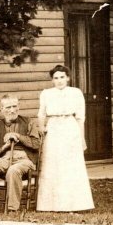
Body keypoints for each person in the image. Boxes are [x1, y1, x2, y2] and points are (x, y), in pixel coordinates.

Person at [36, 65, 95, 212]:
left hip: (70, 128)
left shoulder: (76, 93)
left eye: (62, 77)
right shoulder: (46, 94)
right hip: (54, 129)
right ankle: (50, 205)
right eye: (56, 78)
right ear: (52, 80)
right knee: (53, 165)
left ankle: (74, 204)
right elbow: (41, 114)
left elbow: (81, 118)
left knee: (71, 166)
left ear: (68, 78)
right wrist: (42, 128)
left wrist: (82, 138)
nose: (59, 81)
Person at [0, 95, 40, 213]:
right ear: (2, 109)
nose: (12, 110)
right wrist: (4, 147)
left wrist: (18, 136)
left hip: (25, 160)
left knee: (13, 170)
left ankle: (12, 209)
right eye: (8, 107)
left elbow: (36, 144)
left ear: (19, 107)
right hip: (4, 159)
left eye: (15, 106)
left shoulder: (29, 122)